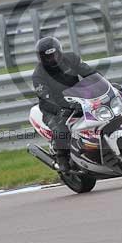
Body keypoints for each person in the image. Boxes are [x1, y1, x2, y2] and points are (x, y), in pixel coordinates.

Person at [32, 36, 97, 173]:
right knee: (61, 129)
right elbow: (46, 98)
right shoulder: (38, 74)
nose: (52, 59)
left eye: (54, 55)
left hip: (78, 99)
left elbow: (90, 73)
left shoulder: (71, 59)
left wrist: (107, 86)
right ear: (41, 59)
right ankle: (62, 158)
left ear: (59, 51)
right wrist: (61, 110)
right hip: (53, 109)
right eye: (47, 57)